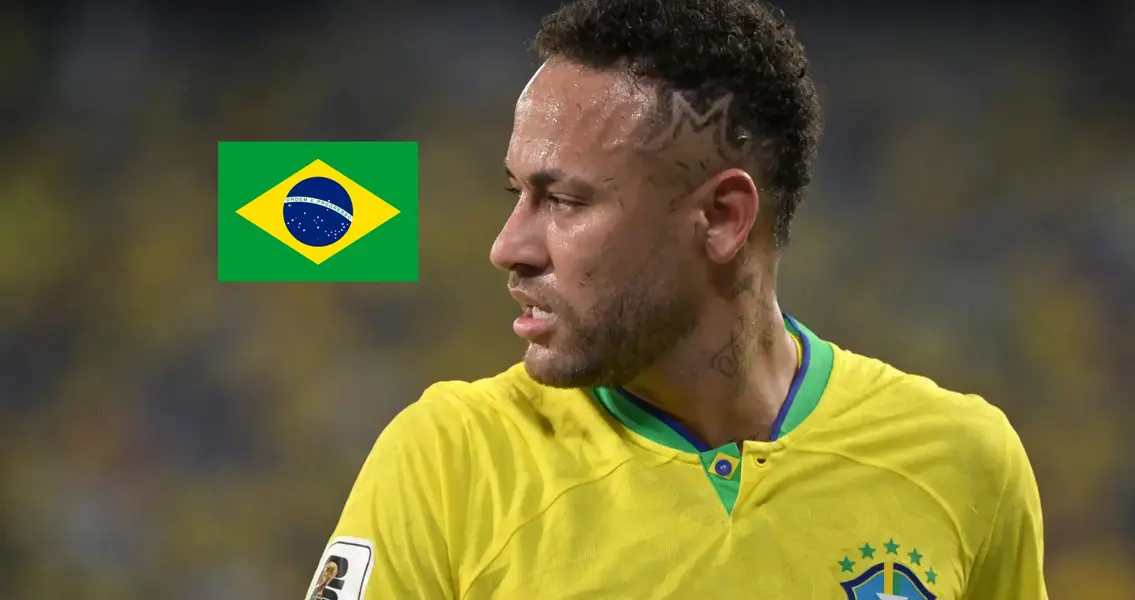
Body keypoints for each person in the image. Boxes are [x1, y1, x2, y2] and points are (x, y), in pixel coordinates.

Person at [306, 0, 1048, 598]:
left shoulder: (964, 463)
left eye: (563, 200)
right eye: (517, 193)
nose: (510, 246)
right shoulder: (452, 460)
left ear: (723, 218)